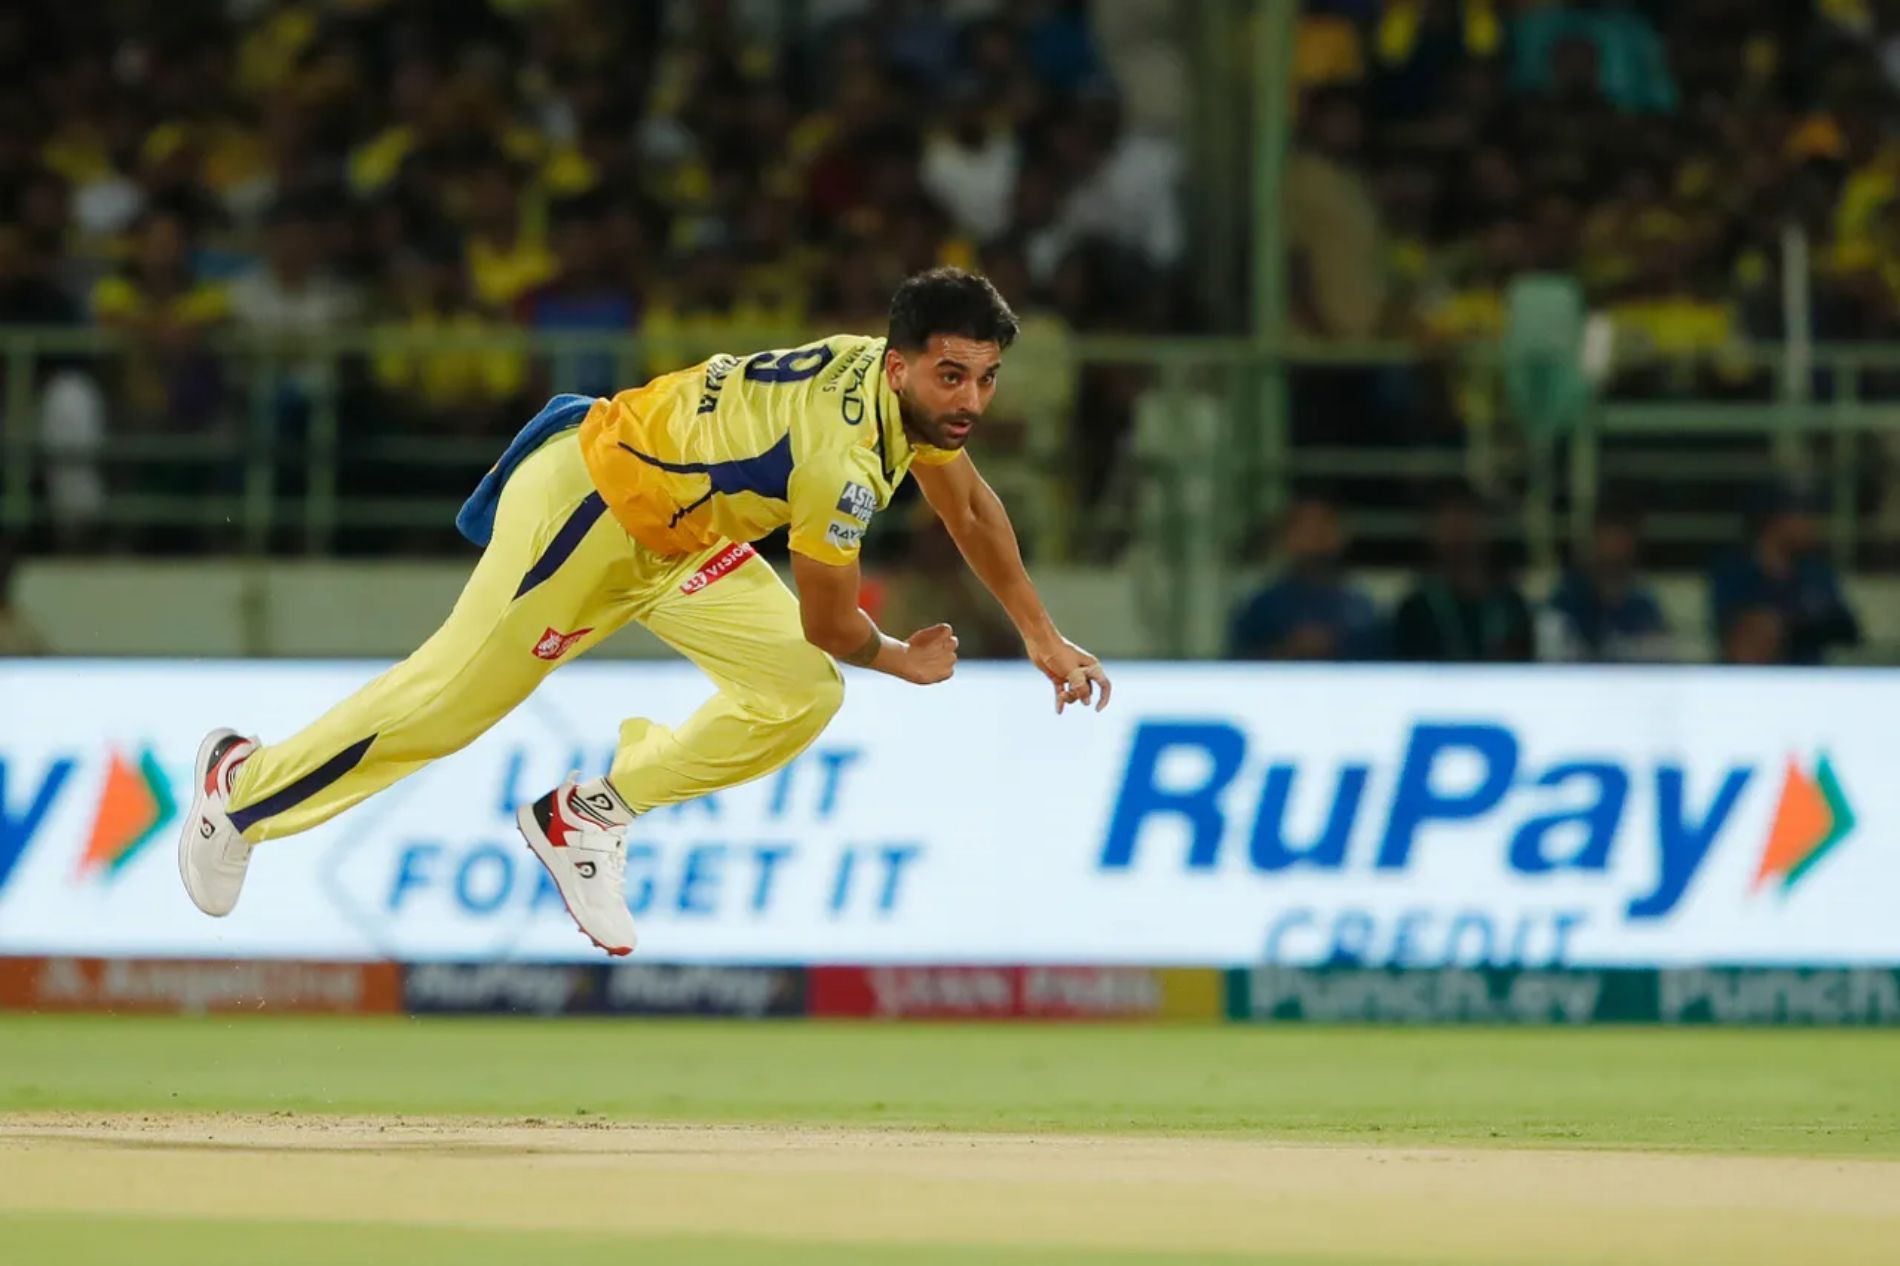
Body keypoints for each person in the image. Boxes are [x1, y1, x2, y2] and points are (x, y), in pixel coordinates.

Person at [177, 267, 1111, 954]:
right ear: (903, 365)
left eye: (987, 379)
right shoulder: (842, 458)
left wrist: (1041, 634)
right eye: (955, 377)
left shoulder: (892, 391)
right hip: (591, 508)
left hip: (683, 539)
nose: (973, 402)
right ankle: (242, 791)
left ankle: (588, 814)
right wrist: (898, 656)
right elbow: (832, 624)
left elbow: (975, 507)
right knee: (443, 705)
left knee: (798, 695)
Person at [1708, 487, 1861, 666]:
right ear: (1775, 519)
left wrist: (1787, 626)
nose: (1812, 524)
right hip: (1749, 678)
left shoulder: (1816, 571)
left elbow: (1848, 632)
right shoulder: (1734, 570)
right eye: (1803, 515)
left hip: (1807, 677)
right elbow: (1730, 630)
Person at [1228, 497, 1384, 661]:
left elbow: (1387, 664)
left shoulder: (1363, 608)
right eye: (1305, 529)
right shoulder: (1261, 607)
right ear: (1287, 537)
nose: (1315, 539)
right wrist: (1288, 650)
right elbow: (1238, 665)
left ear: (1340, 536)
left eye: (1322, 527)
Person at [1391, 487, 1533, 662]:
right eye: (1450, 523)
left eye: (1466, 520)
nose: (1459, 533)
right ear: (1432, 533)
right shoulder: (1415, 609)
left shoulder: (1510, 604)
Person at [1540, 505, 1673, 662]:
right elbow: (1552, 655)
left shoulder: (1642, 601)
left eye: (1622, 538)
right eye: (1610, 536)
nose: (1616, 546)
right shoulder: (1567, 598)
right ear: (1596, 538)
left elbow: (1660, 655)